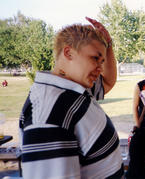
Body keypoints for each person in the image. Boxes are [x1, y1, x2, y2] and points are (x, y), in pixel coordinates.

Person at [19, 17, 124, 179]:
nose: (101, 67)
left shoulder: (75, 88)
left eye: (102, 61)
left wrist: (108, 45)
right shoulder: (48, 113)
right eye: (95, 58)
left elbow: (108, 82)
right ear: (68, 52)